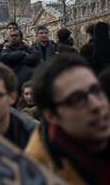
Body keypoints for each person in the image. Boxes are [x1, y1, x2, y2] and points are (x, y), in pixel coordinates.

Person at [25, 54, 110, 184]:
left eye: (96, 90)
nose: (97, 105)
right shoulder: (37, 175)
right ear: (51, 115)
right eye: (77, 99)